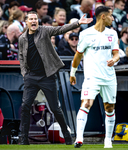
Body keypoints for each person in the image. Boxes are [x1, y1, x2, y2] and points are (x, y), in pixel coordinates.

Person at [18, 11, 93, 145]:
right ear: (27, 22)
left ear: (38, 21)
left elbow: (60, 29)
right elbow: (21, 57)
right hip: (31, 77)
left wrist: (77, 23)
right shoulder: (22, 38)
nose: (34, 21)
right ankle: (23, 139)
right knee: (25, 106)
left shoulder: (44, 30)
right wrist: (25, 73)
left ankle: (67, 136)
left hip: (47, 76)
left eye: (35, 19)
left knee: (55, 108)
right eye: (31, 19)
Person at [69, 6, 119, 148]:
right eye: (111, 16)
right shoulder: (86, 34)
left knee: (109, 108)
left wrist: (114, 60)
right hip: (92, 77)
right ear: (103, 16)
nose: (113, 18)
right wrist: (72, 73)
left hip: (109, 77)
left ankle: (108, 140)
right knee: (86, 104)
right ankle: (79, 139)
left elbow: (116, 53)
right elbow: (78, 55)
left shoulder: (113, 34)